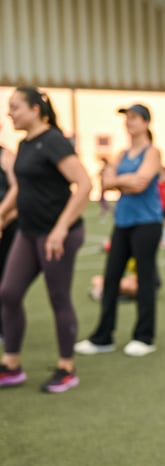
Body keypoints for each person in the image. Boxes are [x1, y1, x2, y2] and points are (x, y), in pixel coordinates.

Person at [0, 87, 91, 392]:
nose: (10, 113)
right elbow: (21, 190)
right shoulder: (24, 144)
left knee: (58, 298)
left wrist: (61, 228)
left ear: (36, 110)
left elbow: (83, 184)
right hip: (29, 231)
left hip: (57, 236)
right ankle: (11, 364)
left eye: (15, 107)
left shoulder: (53, 141)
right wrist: (3, 214)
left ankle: (67, 367)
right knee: (9, 293)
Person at [75, 103, 163, 358]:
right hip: (123, 222)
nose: (129, 122)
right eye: (127, 118)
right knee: (111, 277)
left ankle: (144, 337)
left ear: (146, 122)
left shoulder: (152, 152)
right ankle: (103, 336)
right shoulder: (122, 153)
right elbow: (106, 181)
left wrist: (118, 181)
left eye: (134, 118)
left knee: (145, 279)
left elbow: (141, 183)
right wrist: (124, 180)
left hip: (147, 222)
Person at [0, 128, 20, 343]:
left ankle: (6, 327)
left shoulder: (6, 156)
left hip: (8, 224)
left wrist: (2, 214)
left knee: (6, 280)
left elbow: (17, 188)